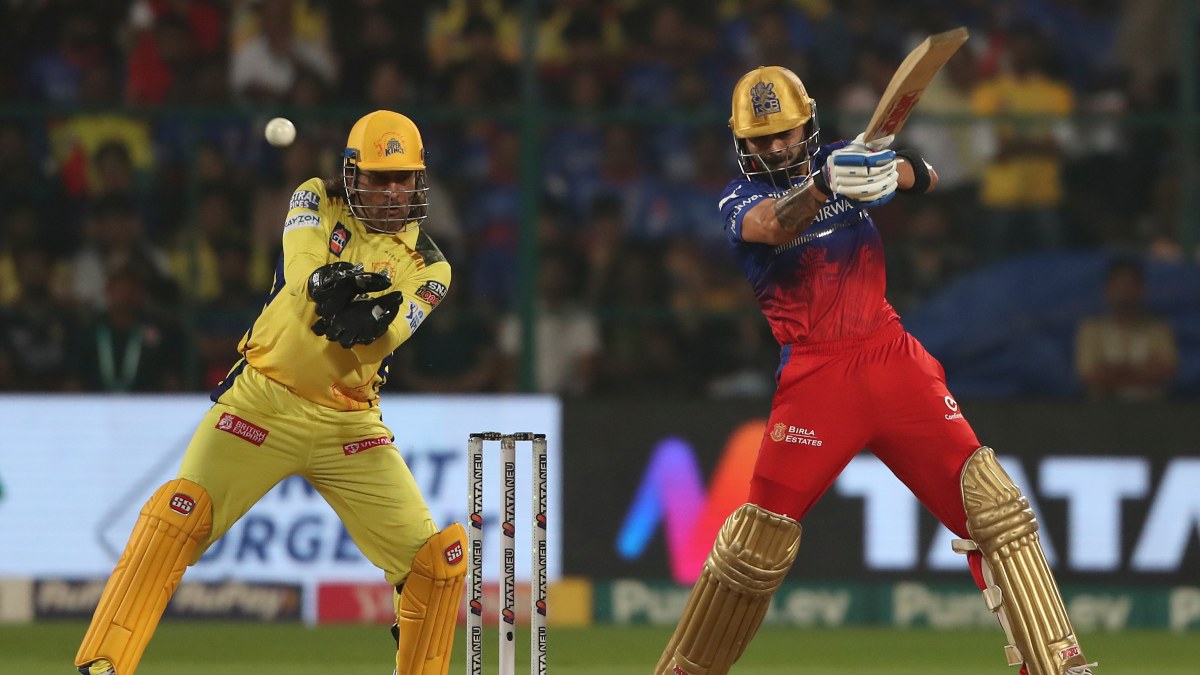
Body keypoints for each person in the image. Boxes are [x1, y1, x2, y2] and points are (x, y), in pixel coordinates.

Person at [655, 66, 1096, 675]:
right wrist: (821, 188)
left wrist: (894, 171)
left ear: (807, 126)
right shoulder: (740, 200)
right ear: (742, 144)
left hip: (894, 362)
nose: (775, 147)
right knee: (752, 550)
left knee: (995, 509)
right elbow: (775, 225)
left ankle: (1055, 662)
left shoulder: (841, 156)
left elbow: (927, 175)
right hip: (818, 382)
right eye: (760, 139)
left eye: (785, 133)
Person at [75, 111, 466, 675]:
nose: (393, 191)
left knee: (435, 565)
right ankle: (102, 664)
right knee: (176, 519)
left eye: (404, 178)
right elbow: (302, 259)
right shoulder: (314, 197)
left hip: (349, 426)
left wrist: (373, 320)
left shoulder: (430, 264)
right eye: (380, 178)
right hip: (260, 403)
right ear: (352, 174)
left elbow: (394, 328)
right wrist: (323, 284)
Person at [1075, 256, 1178, 401]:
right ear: (1107, 290)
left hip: (1151, 410)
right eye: (1119, 286)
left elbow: (1167, 370)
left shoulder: (1158, 328)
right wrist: (1140, 371)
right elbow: (1089, 375)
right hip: (1102, 411)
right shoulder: (1091, 329)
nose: (1124, 293)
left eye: (1130, 286)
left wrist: (1112, 371)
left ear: (1141, 290)